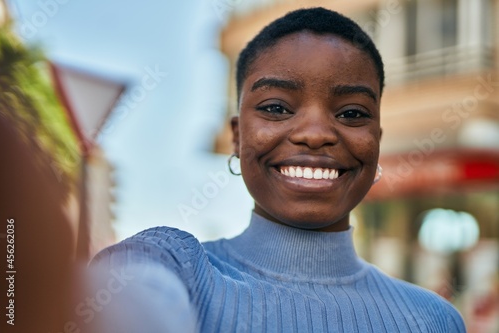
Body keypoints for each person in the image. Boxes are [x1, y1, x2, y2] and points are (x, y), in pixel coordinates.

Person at [89, 7, 466, 332]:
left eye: (352, 113)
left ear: (377, 139)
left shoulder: (434, 320)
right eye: (276, 108)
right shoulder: (176, 267)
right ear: (237, 137)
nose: (315, 135)